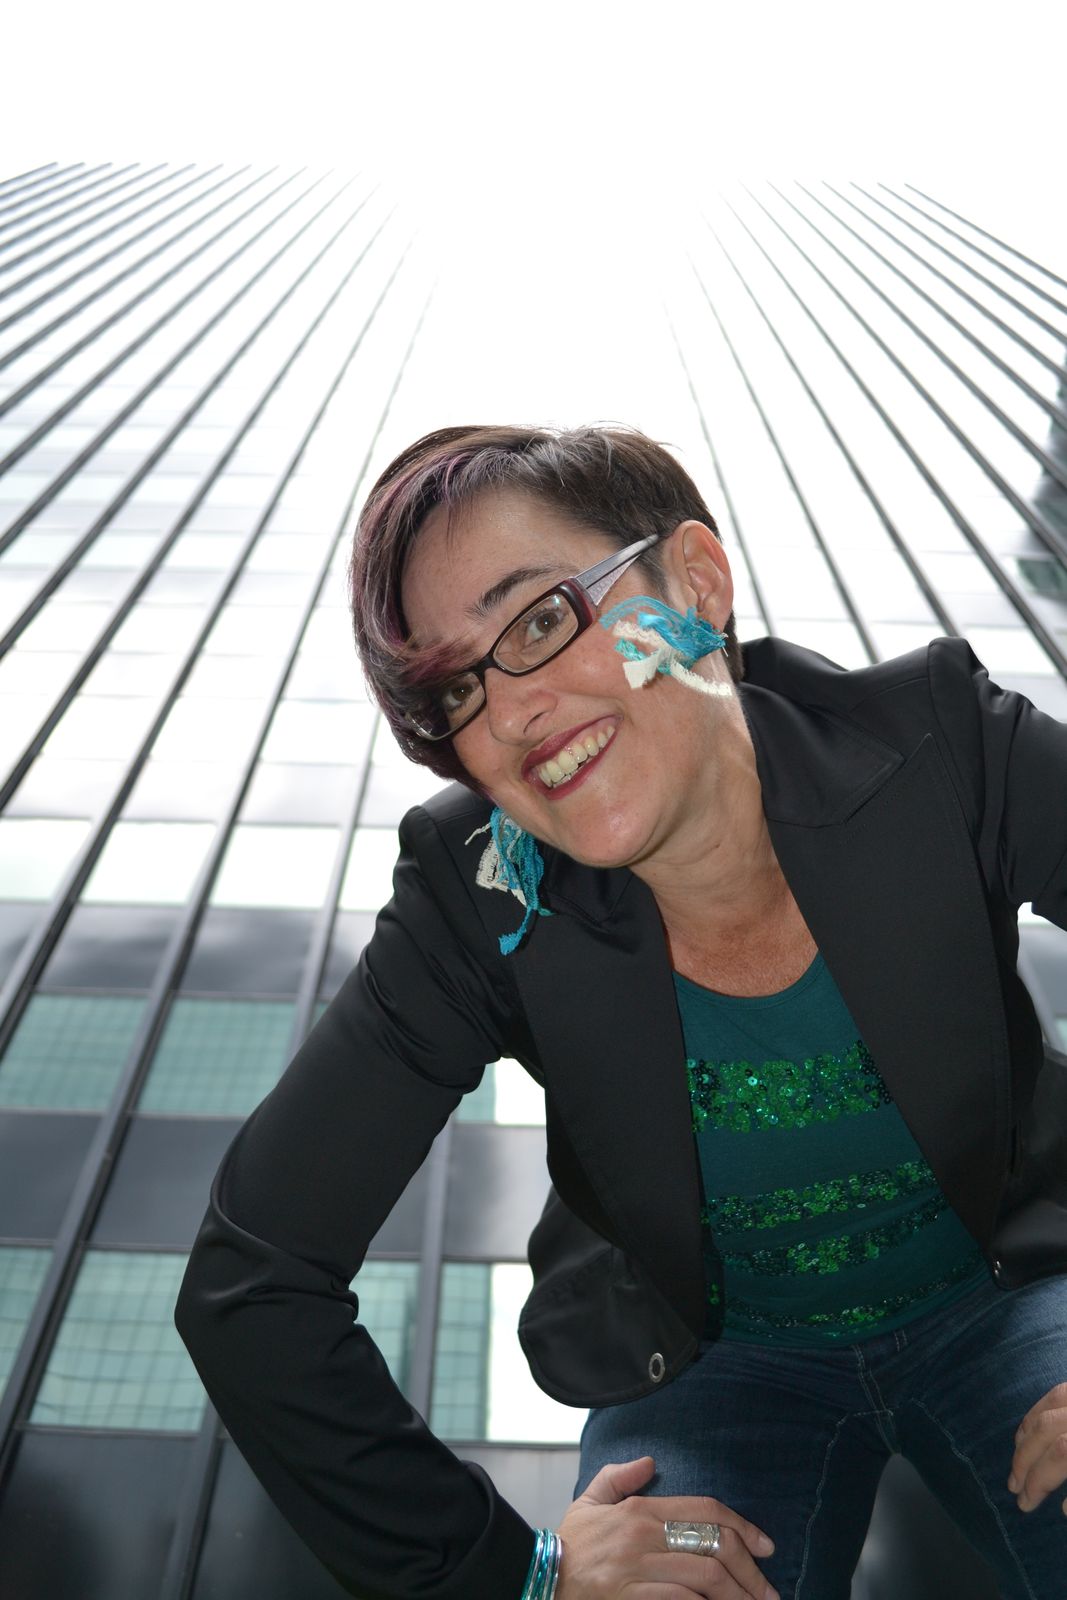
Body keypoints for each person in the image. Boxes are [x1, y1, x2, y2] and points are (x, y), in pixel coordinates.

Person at [175, 423, 1067, 1600]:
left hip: (999, 1297)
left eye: (539, 619)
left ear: (694, 581)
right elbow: (253, 1279)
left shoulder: (936, 742)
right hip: (714, 1368)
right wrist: (515, 1574)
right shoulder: (475, 895)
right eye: (456, 688)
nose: (510, 715)